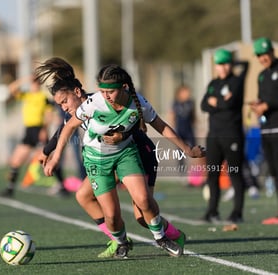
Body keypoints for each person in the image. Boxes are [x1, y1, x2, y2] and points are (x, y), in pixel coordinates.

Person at [40, 61, 205, 258]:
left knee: (143, 214)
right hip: (102, 159)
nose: (63, 107)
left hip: (138, 152)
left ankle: (170, 236)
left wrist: (187, 149)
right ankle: (118, 239)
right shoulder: (87, 108)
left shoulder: (104, 101)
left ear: (76, 92)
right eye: (60, 104)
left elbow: (143, 123)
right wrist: (48, 152)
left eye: (64, 102)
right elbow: (64, 130)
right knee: (85, 197)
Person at [0, 76, 69, 197]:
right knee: (16, 160)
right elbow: (11, 89)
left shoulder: (43, 97)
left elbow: (48, 114)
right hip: (28, 131)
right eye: (33, 83)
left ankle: (62, 186)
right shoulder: (27, 95)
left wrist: (44, 129)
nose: (34, 85)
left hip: (40, 130)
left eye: (36, 82)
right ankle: (10, 189)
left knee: (47, 159)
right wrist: (24, 79)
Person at [200, 48, 249, 224]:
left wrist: (216, 102)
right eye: (220, 64)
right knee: (212, 174)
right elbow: (204, 105)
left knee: (235, 173)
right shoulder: (213, 83)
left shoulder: (237, 81)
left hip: (232, 134)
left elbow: (230, 104)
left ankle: (237, 212)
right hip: (214, 135)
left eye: (226, 63)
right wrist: (218, 102)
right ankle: (212, 211)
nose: (223, 67)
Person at [249, 37, 278, 225]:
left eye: (265, 54)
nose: (263, 58)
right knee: (273, 172)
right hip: (266, 130)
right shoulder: (261, 75)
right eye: (259, 55)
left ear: (272, 52)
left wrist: (267, 105)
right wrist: (258, 105)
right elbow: (262, 99)